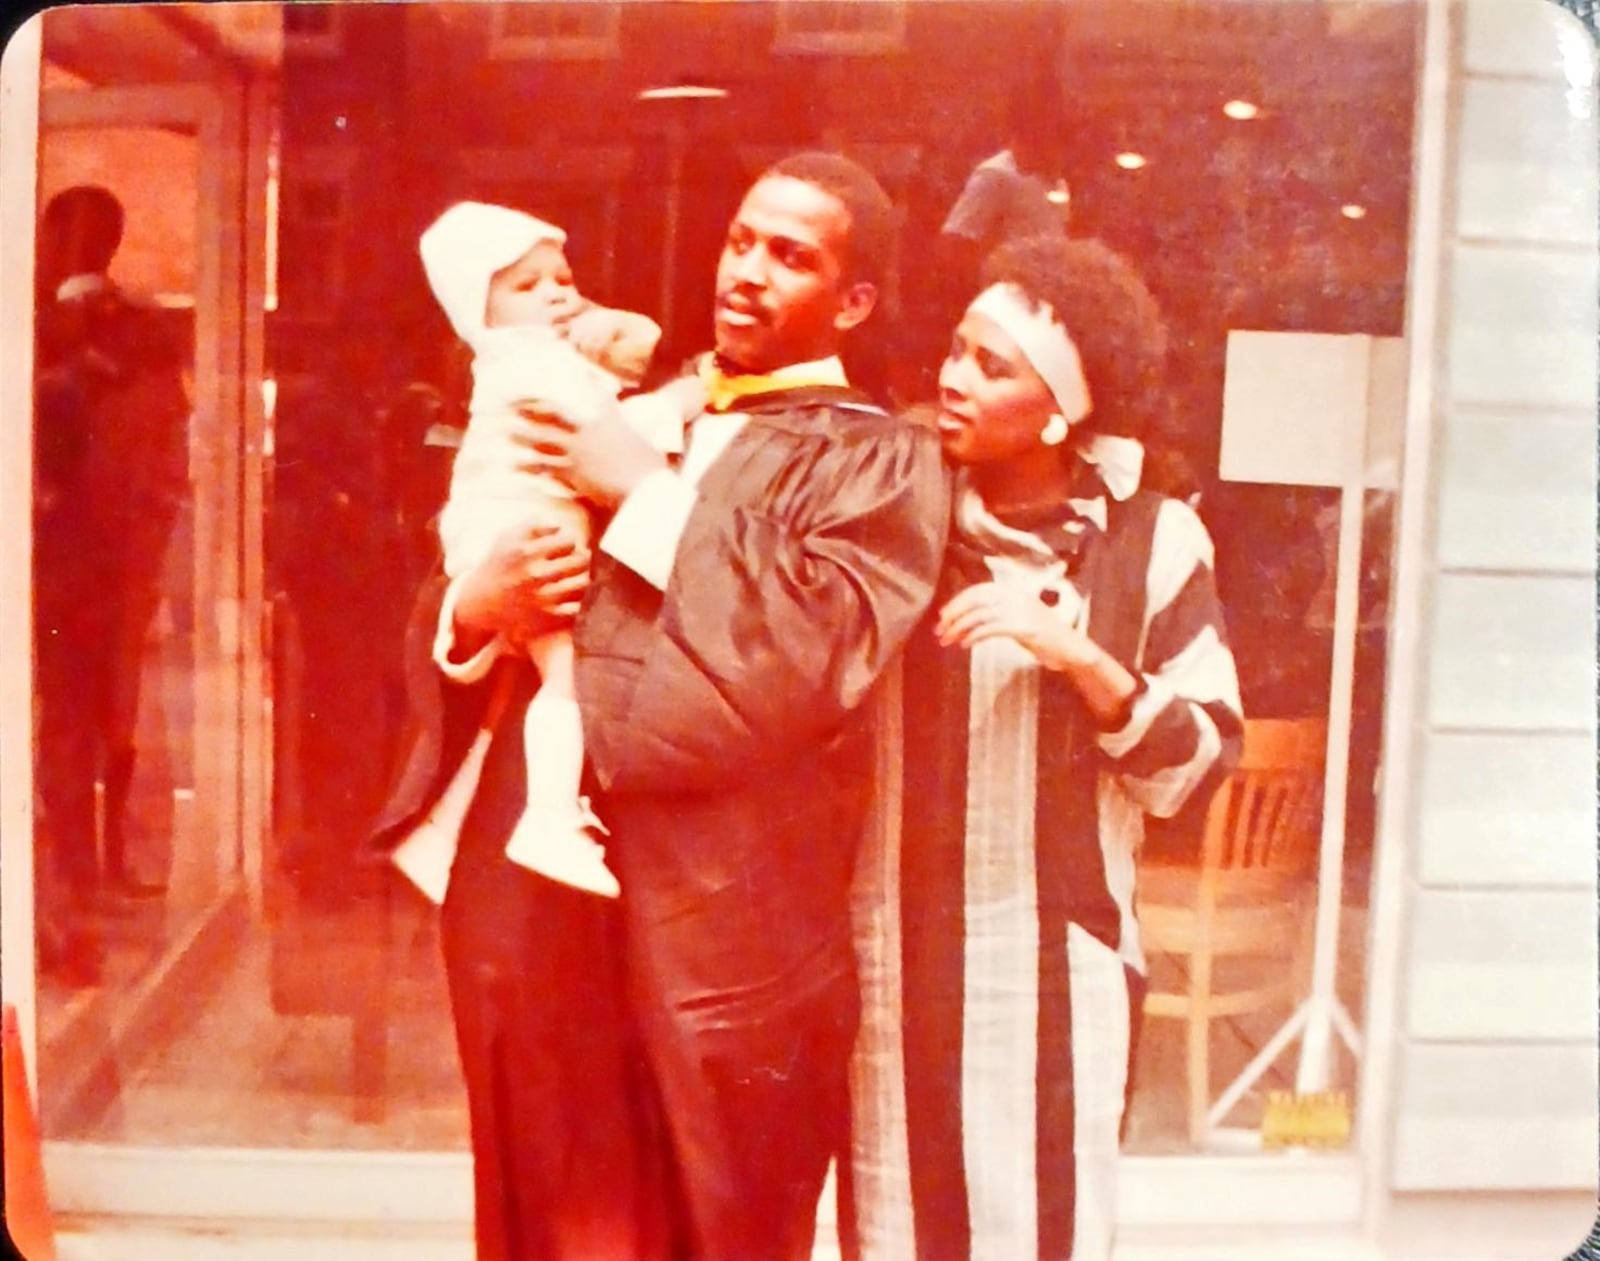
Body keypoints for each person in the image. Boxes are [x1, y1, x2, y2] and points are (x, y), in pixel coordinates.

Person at [373, 151, 951, 1261]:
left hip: (717, 915)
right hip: (534, 882)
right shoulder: (631, 402)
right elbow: (479, 567)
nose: (747, 272)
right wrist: (468, 609)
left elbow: (807, 654)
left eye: (791, 257)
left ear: (853, 299)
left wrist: (638, 483)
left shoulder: (873, 459)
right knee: (550, 1199)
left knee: (709, 1216)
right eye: (742, 241)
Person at [845, 236, 1244, 1261]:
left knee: (1043, 1233)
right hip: (892, 958)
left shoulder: (1155, 540)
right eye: (955, 349)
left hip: (1056, 979)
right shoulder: (898, 515)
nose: (951, 376)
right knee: (895, 1230)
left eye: (991, 363)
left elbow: (1193, 770)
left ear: (1062, 410)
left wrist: (1076, 653)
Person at [400, 201, 701, 902]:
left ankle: (469, 825)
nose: (558, 295)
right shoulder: (530, 364)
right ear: (482, 311)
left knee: (536, 680)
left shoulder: (523, 360)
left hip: (509, 530)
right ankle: (552, 816)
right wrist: (685, 396)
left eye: (562, 278)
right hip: (529, 530)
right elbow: (607, 432)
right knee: (565, 675)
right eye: (527, 286)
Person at [33, 184, 190, 982]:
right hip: (58, 566)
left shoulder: (125, 325)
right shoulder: (37, 326)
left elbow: (162, 397)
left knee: (108, 718)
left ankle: (100, 866)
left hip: (107, 561)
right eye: (78, 235)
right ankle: (75, 880)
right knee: (71, 724)